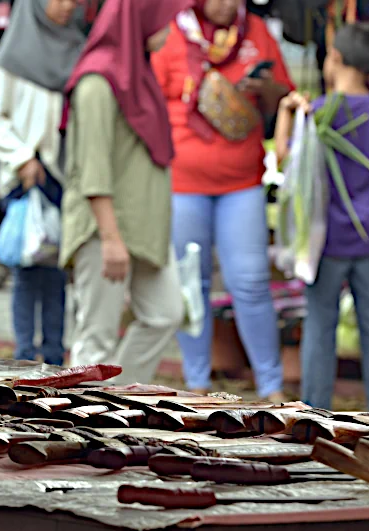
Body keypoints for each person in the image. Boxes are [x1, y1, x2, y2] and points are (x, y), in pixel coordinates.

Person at [151, 0, 294, 401]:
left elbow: (285, 97)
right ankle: (197, 383)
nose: (228, 4)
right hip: (183, 182)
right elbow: (148, 102)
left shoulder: (257, 33)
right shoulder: (173, 33)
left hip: (242, 182)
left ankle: (271, 386)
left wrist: (266, 90)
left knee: (250, 282)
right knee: (190, 285)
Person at [60, 0, 190, 385]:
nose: (170, 30)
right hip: (105, 230)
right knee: (96, 337)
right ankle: (77, 430)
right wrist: (111, 238)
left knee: (165, 313)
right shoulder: (97, 82)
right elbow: (93, 167)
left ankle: (115, 401)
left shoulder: (137, 76)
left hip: (140, 227)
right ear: (141, 18)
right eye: (165, 20)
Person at [275, 23, 369, 413]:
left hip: (325, 240)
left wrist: (285, 112)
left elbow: (283, 157)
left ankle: (316, 411)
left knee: (320, 322)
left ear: (336, 59)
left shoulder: (320, 112)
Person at [0, 0, 84, 366]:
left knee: (57, 271)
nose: (66, 6)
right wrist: (22, 156)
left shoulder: (78, 49)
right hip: (26, 175)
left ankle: (54, 356)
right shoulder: (13, 56)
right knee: (27, 269)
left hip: (63, 175)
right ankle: (25, 356)